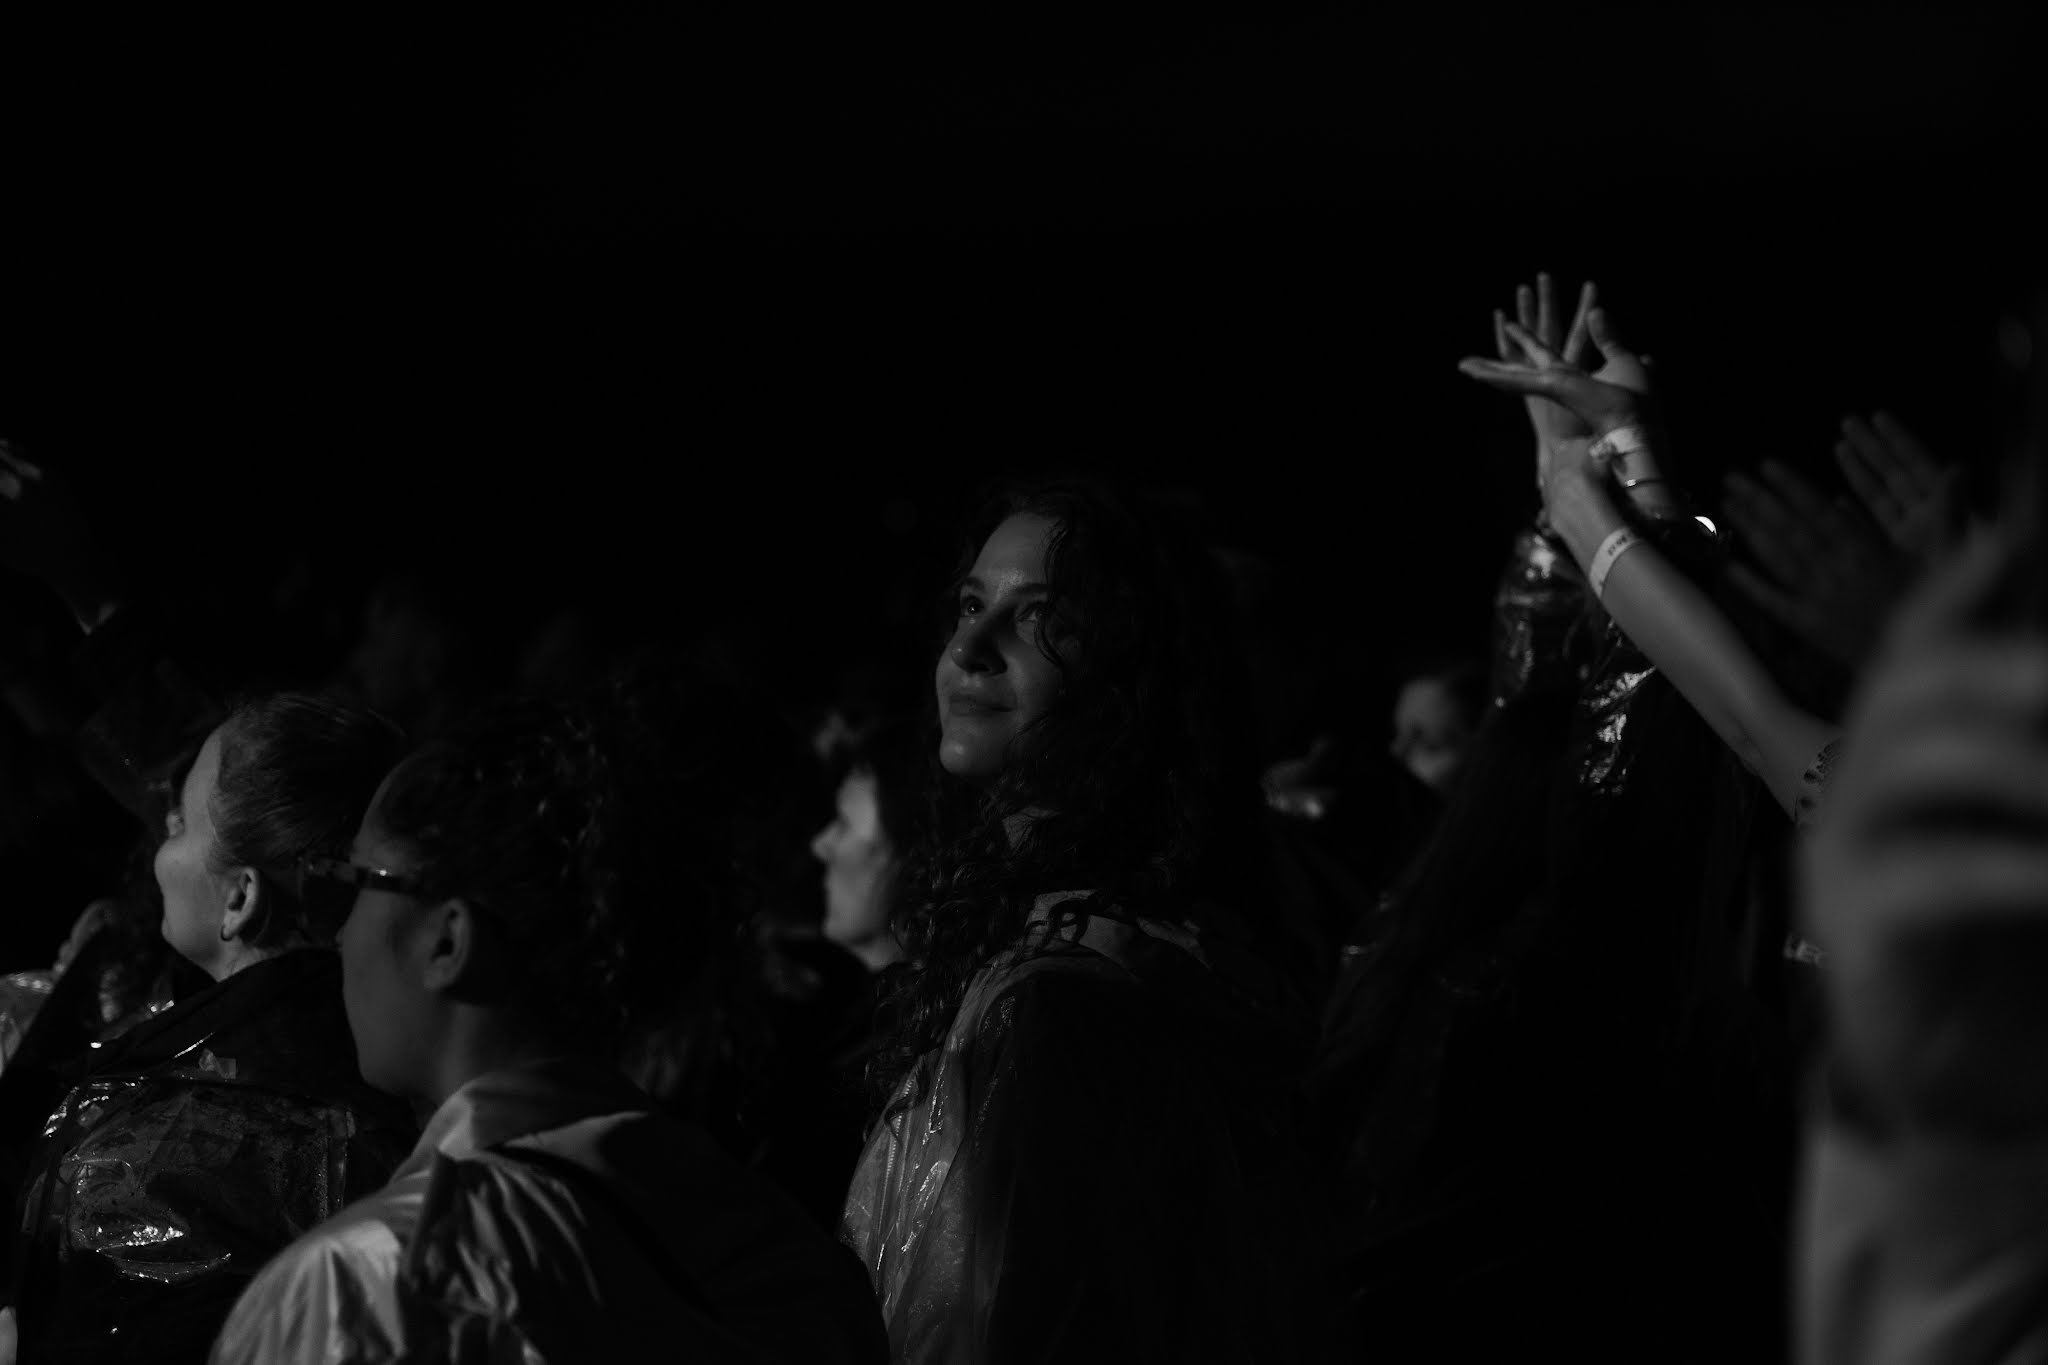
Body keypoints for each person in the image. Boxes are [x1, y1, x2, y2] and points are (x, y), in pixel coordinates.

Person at [212, 689, 889, 1363]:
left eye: (349, 883)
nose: (337, 933)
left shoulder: (371, 1290)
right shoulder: (787, 1250)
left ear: (447, 942)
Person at [842, 481, 1334, 1362]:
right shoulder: (1059, 939)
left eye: (1039, 618)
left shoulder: (1066, 1003)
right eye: (970, 603)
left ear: (1132, 675)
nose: (968, 648)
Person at [0, 693, 416, 1364]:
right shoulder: (378, 1074)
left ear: (241, 897)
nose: (157, 842)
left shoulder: (155, 1162)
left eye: (178, 824)